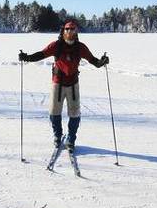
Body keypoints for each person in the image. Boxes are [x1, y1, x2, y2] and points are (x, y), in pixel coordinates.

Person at [17, 18, 109, 150]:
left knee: (75, 113)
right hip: (58, 83)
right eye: (67, 29)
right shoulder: (56, 45)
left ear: (76, 32)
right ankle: (57, 135)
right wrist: (27, 57)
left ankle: (71, 138)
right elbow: (41, 54)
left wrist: (102, 62)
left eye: (73, 29)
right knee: (54, 112)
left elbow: (94, 61)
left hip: (73, 84)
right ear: (63, 31)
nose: (70, 32)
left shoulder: (80, 47)